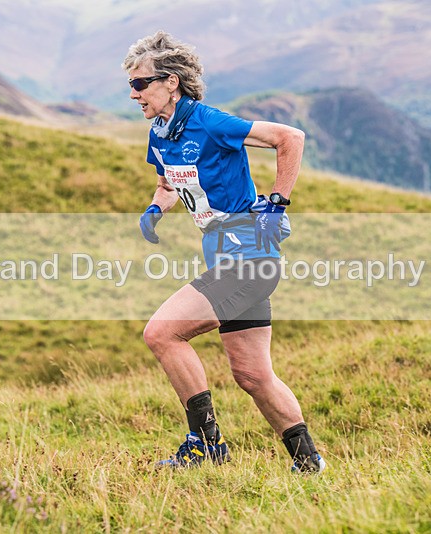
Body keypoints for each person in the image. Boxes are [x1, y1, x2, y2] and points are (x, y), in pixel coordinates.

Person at [123, 31, 324, 473]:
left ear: (170, 82)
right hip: (223, 257)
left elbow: (290, 136)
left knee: (161, 333)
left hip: (250, 256)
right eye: (131, 86)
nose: (133, 94)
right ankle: (309, 463)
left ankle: (206, 445)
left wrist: (277, 202)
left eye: (140, 84)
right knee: (253, 375)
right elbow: (167, 182)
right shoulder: (160, 134)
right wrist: (156, 208)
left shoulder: (210, 122)